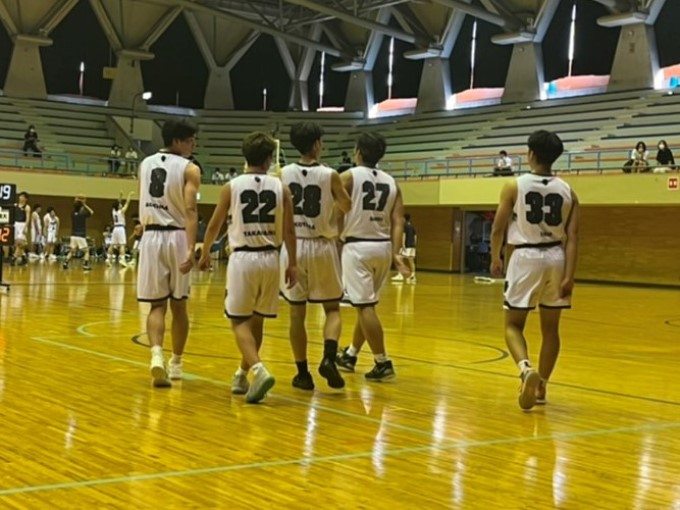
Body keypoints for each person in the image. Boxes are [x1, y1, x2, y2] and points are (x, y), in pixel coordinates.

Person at [199, 131, 297, 404]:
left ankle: (258, 370)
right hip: (272, 259)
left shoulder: (231, 186)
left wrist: (205, 252)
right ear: (269, 159)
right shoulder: (282, 188)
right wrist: (293, 263)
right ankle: (242, 374)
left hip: (243, 259)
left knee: (238, 321)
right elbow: (290, 231)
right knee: (257, 321)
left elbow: (215, 224)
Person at [489, 130, 580, 411]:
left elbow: (497, 229)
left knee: (513, 325)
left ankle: (526, 369)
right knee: (551, 330)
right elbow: (573, 237)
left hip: (525, 256)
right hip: (557, 257)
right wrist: (569, 275)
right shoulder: (569, 191)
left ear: (531, 154)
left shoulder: (513, 186)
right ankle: (541, 387)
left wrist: (495, 258)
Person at [279, 122, 351, 391]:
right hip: (322, 245)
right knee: (332, 309)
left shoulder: (282, 173)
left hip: (293, 246)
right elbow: (346, 204)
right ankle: (329, 358)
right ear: (317, 144)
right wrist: (331, 215)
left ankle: (303, 374)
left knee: (296, 314)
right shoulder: (330, 174)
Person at [335, 132, 409, 381]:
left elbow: (336, 212)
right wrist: (397, 253)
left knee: (364, 306)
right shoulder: (392, 182)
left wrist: (335, 238)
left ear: (358, 152)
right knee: (366, 304)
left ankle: (382, 362)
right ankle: (351, 355)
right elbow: (398, 221)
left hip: (357, 247)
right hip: (383, 247)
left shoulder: (348, 176)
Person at [137, 119, 201, 388]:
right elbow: (190, 209)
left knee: (156, 305)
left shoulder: (145, 164)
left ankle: (155, 354)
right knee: (179, 305)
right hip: (176, 236)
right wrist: (191, 247)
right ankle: (176, 362)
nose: (193, 145)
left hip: (151, 236)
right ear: (176, 141)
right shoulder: (190, 168)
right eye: (190, 140)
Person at [63, 196, 94, 271]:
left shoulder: (72, 213)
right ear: (81, 207)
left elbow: (76, 206)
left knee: (72, 251)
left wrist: (77, 201)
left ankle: (65, 262)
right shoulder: (82, 214)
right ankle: (85, 265)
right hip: (80, 236)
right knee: (86, 251)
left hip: (73, 235)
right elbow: (92, 212)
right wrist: (84, 204)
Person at [107, 191, 134, 267]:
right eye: (120, 204)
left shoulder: (113, 211)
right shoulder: (121, 211)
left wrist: (120, 196)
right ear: (118, 206)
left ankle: (108, 259)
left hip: (115, 229)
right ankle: (122, 259)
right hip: (121, 228)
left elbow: (117, 202)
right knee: (122, 245)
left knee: (112, 245)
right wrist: (129, 195)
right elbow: (127, 203)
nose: (121, 204)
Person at [7, 192, 31, 266]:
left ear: (26, 199)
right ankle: (23, 256)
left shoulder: (27, 207)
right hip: (15, 224)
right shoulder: (15, 205)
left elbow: (28, 218)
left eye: (23, 197)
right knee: (15, 243)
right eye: (20, 196)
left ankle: (14, 257)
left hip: (22, 224)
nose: (21, 198)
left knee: (21, 242)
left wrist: (26, 227)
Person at [392, 213, 417, 284]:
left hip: (406, 245)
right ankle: (413, 276)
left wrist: (403, 245)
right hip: (412, 246)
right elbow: (415, 236)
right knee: (411, 261)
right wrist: (414, 245)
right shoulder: (412, 226)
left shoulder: (404, 225)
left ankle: (400, 275)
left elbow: (404, 235)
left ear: (404, 218)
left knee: (398, 258)